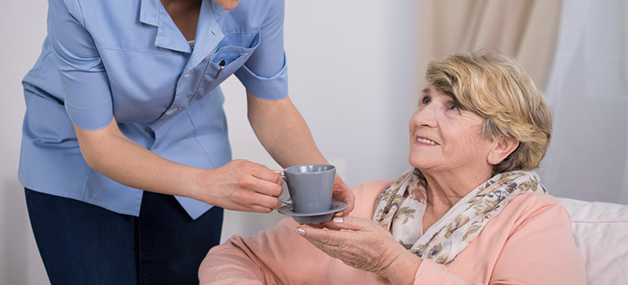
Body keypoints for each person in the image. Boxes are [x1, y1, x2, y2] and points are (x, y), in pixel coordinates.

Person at [19, 0, 354, 283]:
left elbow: (271, 105)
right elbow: (100, 142)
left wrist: (318, 176)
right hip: (79, 154)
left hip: (190, 143)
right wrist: (208, 184)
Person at [198, 51, 587, 285]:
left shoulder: (534, 220)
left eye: (453, 107)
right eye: (425, 99)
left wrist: (393, 262)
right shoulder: (367, 200)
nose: (421, 118)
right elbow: (235, 257)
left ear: (501, 144)